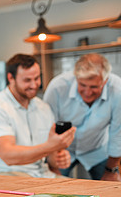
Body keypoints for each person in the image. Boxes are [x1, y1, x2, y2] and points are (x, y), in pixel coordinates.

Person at [0, 54, 76, 177]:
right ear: (11, 78)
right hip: (6, 175)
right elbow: (8, 156)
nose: (34, 85)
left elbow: (50, 159)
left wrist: (58, 158)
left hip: (41, 174)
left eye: (37, 78)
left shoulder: (43, 108)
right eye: (27, 80)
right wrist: (49, 147)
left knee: (84, 191)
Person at [44, 53, 121, 181]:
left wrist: (111, 170)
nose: (88, 92)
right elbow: (46, 127)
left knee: (112, 188)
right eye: (82, 85)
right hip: (62, 151)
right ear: (76, 78)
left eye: (94, 87)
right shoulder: (57, 88)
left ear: (105, 81)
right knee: (53, 189)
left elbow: (118, 133)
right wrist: (53, 162)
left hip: (97, 149)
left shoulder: (118, 90)